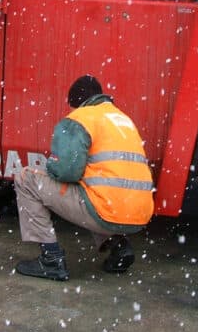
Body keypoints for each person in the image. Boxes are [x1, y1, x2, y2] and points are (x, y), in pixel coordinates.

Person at [14, 75, 155, 281]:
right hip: (139, 214)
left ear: (77, 103)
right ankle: (119, 247)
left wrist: (52, 165)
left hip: (105, 211)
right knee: (95, 189)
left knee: (25, 178)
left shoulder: (81, 118)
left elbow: (66, 171)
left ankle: (51, 259)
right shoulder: (123, 120)